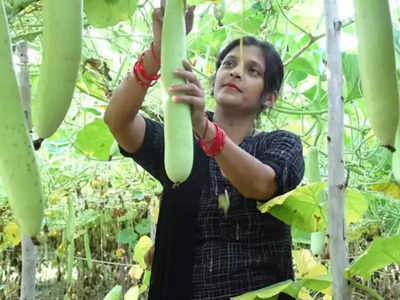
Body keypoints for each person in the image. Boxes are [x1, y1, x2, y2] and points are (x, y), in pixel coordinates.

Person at [104, 7, 304, 300]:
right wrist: (159, 52)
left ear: (269, 98)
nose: (236, 71)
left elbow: (261, 184)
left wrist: (205, 128)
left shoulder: (281, 144)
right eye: (229, 64)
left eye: (253, 70)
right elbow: (117, 121)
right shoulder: (180, 140)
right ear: (214, 80)